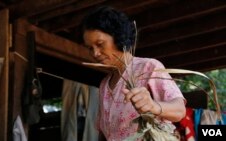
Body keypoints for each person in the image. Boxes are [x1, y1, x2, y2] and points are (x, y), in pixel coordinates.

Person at [80, 6, 186, 141]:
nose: (95, 53)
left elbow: (179, 110)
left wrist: (153, 106)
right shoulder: (104, 85)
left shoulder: (148, 67)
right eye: (90, 48)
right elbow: (104, 133)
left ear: (118, 37)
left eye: (100, 44)